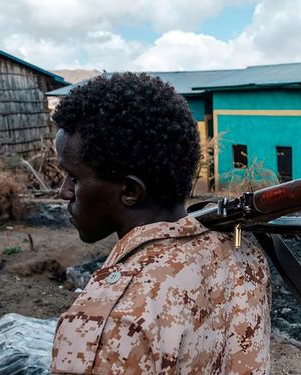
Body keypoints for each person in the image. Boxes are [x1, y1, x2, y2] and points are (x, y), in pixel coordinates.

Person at [50, 73, 270, 374]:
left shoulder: (105, 325)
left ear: (130, 191)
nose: (63, 192)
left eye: (73, 178)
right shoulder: (243, 253)